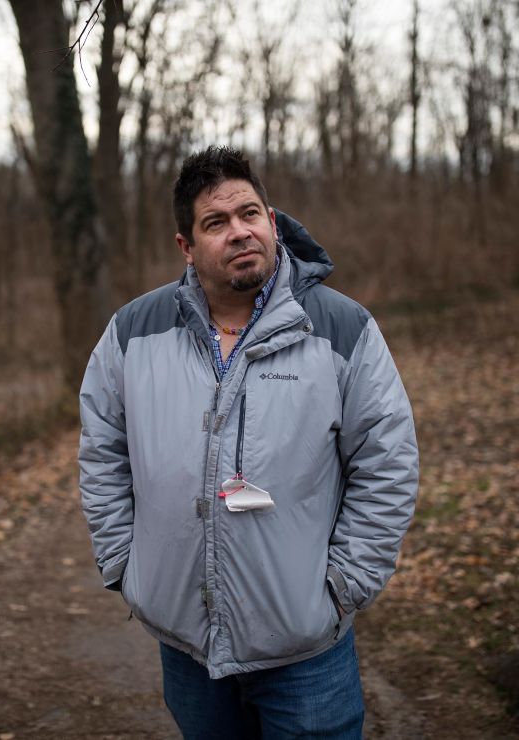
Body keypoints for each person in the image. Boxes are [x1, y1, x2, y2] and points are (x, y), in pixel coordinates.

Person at [78, 146, 419, 738]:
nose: (240, 232)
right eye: (216, 222)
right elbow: (103, 448)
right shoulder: (133, 332)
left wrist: (343, 588)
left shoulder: (342, 328)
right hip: (187, 646)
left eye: (250, 213)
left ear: (271, 219)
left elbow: (387, 463)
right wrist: (124, 563)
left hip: (305, 648)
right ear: (185, 245)